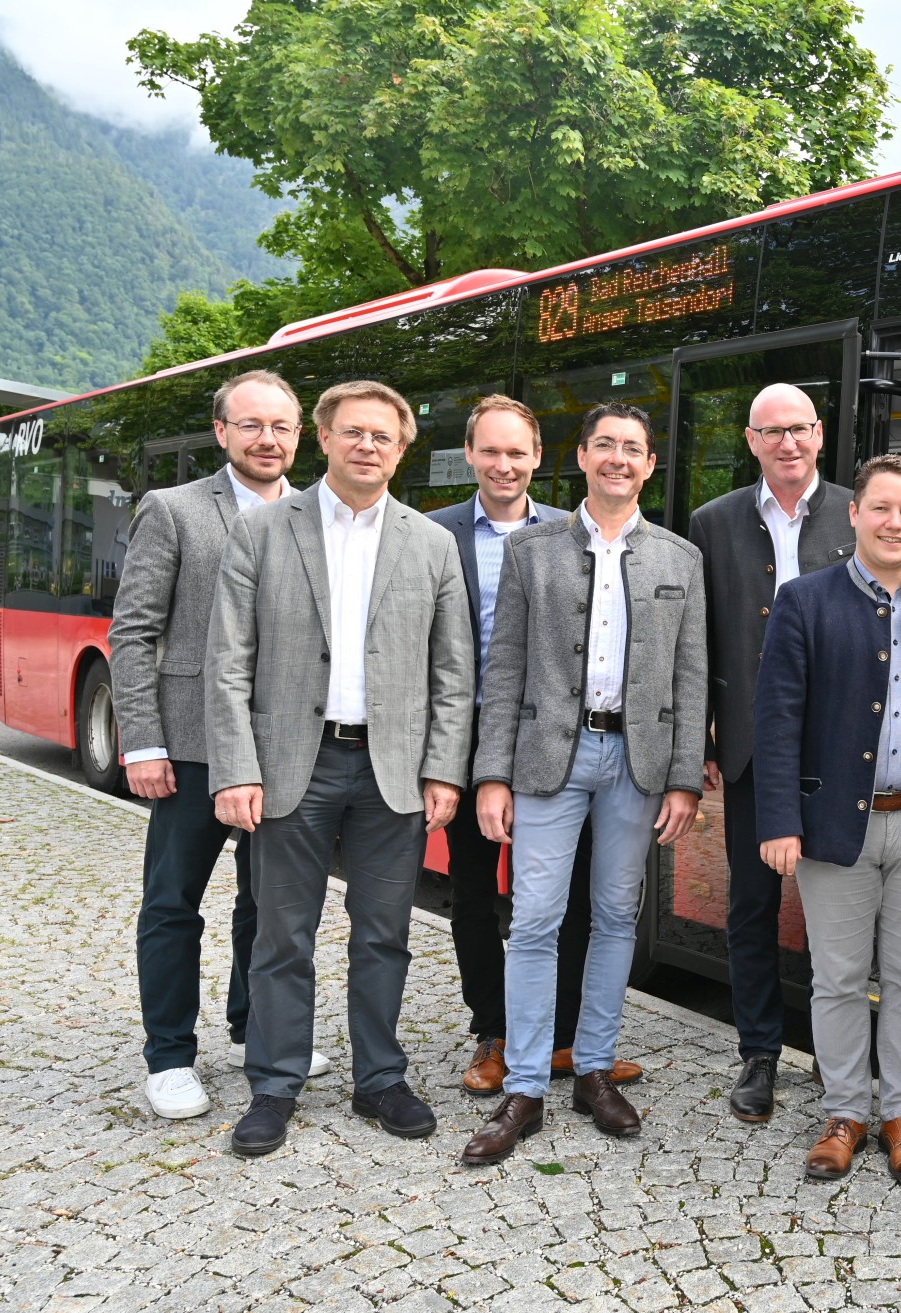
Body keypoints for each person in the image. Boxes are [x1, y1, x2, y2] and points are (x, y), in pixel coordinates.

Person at [206, 379, 475, 1156]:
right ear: (323, 437)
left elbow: (453, 671)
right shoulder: (263, 530)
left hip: (393, 771)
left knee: (385, 933)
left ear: (402, 449)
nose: (368, 446)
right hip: (293, 763)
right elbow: (228, 661)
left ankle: (380, 1078)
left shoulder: (431, 544)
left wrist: (443, 769)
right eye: (354, 431)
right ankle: (274, 1084)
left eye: (383, 436)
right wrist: (236, 768)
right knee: (281, 934)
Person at [460, 402, 706, 1166]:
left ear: (649, 464)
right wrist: (491, 774)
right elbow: (504, 669)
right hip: (547, 760)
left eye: (633, 447)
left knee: (615, 917)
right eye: (606, 444)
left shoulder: (680, 558)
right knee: (535, 919)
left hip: (635, 762)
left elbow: (691, 676)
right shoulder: (531, 550)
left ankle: (593, 1069)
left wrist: (684, 778)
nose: (618, 457)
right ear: (582, 456)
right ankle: (526, 1086)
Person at [754, 454, 901, 1183]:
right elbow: (776, 719)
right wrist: (778, 819)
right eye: (882, 508)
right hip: (833, 825)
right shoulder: (803, 600)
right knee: (838, 977)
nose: (896, 522)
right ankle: (845, 1113)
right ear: (853, 514)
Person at [110, 369, 331, 1120]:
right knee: (173, 903)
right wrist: (143, 742)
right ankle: (170, 1055)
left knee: (268, 904)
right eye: (252, 425)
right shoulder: (173, 510)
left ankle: (254, 1027)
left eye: (282, 426)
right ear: (221, 432)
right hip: (192, 746)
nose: (268, 439)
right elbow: (133, 632)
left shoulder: (318, 515)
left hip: (286, 749)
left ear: (299, 436)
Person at [426, 396, 643, 1096]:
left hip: (558, 737)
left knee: (566, 893)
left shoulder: (568, 532)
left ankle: (565, 1037)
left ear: (540, 458)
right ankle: (493, 1030)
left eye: (517, 452)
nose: (504, 464)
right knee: (473, 888)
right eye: (490, 451)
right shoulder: (435, 535)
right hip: (469, 734)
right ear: (469, 454)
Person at [686, 382, 854, 1123]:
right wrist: (702, 733)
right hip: (752, 746)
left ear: (819, 434)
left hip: (842, 749)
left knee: (837, 910)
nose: (788, 442)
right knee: (752, 904)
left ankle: (834, 1053)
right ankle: (759, 1052)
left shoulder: (856, 512)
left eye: (799, 429)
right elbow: (697, 639)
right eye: (771, 431)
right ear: (751, 441)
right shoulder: (713, 522)